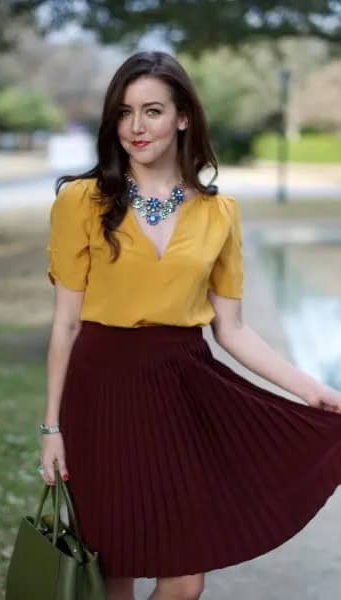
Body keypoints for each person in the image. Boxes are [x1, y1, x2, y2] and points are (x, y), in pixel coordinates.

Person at [39, 50, 341, 600]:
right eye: (124, 112)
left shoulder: (218, 212)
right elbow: (65, 325)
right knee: (112, 568)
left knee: (184, 579)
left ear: (182, 117)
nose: (136, 126)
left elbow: (233, 329)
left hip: (184, 391)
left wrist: (315, 391)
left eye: (152, 110)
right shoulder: (81, 201)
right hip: (100, 390)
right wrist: (51, 429)